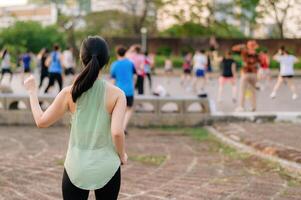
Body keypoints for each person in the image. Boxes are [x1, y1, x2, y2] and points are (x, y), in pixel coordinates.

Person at [24, 36, 127, 200]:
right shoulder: (117, 94)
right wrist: (122, 155)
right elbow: (117, 132)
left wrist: (32, 92)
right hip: (107, 166)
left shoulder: (69, 92)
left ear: (81, 58)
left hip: (76, 166)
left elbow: (41, 121)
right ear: (107, 60)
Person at [110, 45, 136, 134]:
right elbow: (135, 76)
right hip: (129, 90)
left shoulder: (114, 65)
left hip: (118, 90)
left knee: (118, 109)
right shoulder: (130, 63)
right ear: (125, 53)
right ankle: (123, 127)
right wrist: (133, 85)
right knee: (129, 109)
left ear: (117, 54)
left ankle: (117, 127)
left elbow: (113, 80)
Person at [233, 40, 259, 112]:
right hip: (254, 74)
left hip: (245, 73)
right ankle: (253, 107)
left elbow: (234, 48)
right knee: (253, 92)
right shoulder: (256, 54)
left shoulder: (245, 52)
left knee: (242, 91)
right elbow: (258, 64)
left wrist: (242, 46)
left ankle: (241, 107)